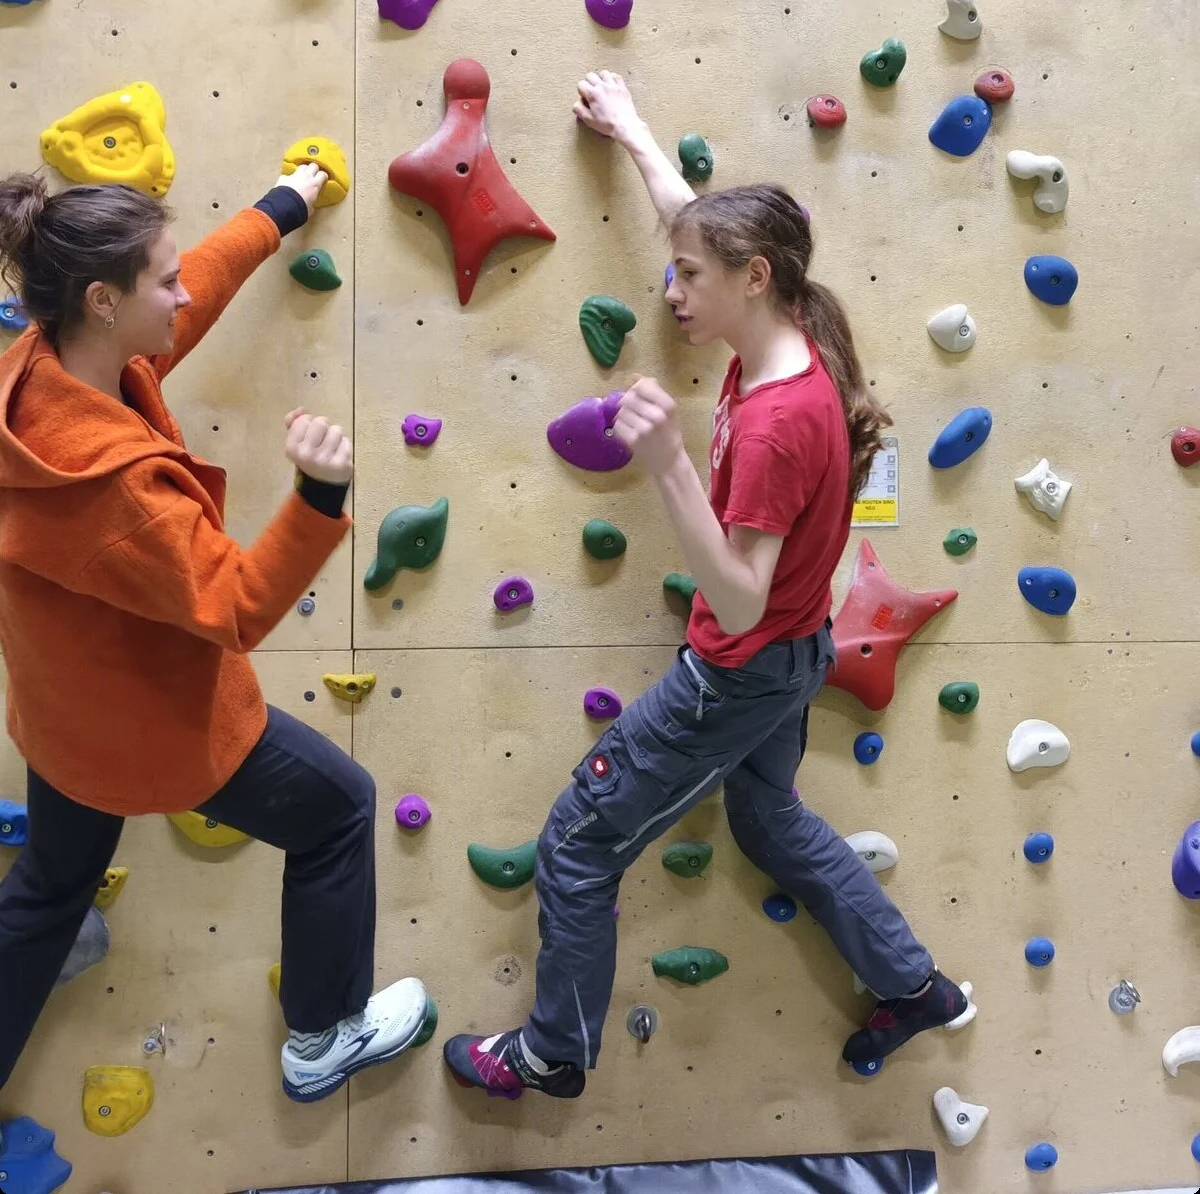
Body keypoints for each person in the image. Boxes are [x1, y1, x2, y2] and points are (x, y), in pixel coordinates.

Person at [444, 72, 966, 1100]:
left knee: (580, 842)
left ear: (753, 277)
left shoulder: (778, 422)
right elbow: (695, 221)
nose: (670, 291)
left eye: (686, 279)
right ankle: (915, 984)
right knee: (767, 819)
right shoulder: (792, 324)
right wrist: (632, 130)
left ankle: (553, 1052)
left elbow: (733, 597)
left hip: (737, 667)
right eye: (673, 272)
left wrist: (669, 464)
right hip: (790, 656)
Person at [0, 164, 428, 1103]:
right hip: (151, 727)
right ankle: (324, 1036)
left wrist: (280, 208)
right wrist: (318, 494)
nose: (182, 288)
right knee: (341, 806)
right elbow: (236, 604)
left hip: (64, 716)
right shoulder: (116, 490)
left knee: (49, 889)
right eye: (163, 278)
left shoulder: (38, 371)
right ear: (105, 301)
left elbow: (190, 302)